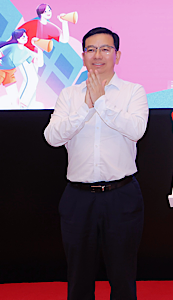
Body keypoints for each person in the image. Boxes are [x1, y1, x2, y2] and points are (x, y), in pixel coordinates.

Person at [44, 27, 148, 300]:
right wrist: (86, 107)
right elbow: (52, 137)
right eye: (91, 49)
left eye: (105, 49)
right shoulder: (69, 95)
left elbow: (137, 130)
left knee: (123, 274)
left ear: (117, 55)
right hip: (78, 197)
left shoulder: (133, 92)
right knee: (78, 276)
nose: (97, 55)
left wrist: (101, 103)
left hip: (121, 195)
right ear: (83, 56)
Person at [0, 28, 36, 108]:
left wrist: (38, 48)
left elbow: (38, 62)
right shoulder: (11, 47)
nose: (26, 38)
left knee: (15, 98)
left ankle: (17, 112)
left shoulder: (27, 51)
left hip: (10, 72)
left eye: (26, 36)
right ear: (18, 38)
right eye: (23, 36)